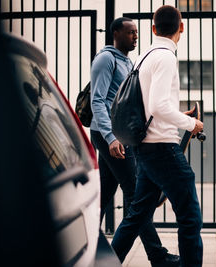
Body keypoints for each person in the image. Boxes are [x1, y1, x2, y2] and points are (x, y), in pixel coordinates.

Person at [110, 5, 204, 267]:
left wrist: (177, 114)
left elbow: (151, 104)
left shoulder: (145, 55)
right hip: (163, 149)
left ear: (153, 29)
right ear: (181, 28)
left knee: (137, 215)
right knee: (190, 217)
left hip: (145, 147)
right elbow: (158, 107)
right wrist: (190, 123)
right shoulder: (165, 57)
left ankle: (106, 262)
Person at [89, 17, 180, 267]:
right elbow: (98, 101)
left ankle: (86, 243)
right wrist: (110, 138)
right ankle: (158, 256)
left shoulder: (128, 61)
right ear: (115, 33)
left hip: (119, 135)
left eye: (137, 32)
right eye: (130, 32)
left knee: (105, 192)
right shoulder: (105, 59)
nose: (135, 36)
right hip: (108, 134)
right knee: (135, 193)